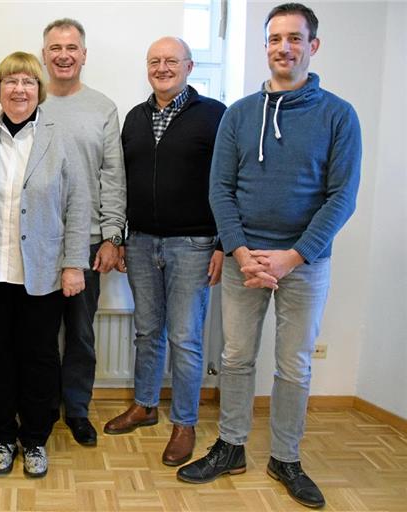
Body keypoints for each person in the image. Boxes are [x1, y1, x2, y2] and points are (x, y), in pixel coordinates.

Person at [177, 4, 361, 509]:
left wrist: (293, 257)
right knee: (235, 358)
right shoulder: (239, 114)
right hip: (244, 259)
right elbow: (220, 188)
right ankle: (231, 446)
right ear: (266, 46)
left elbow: (341, 196)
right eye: (276, 38)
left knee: (294, 365)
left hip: (306, 263)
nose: (285, 47)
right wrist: (240, 250)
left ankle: (285, 457)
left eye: (295, 38)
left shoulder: (338, 115)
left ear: (313, 46)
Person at [0, 52, 90, 478]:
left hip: (43, 271)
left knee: (39, 357)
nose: (20, 89)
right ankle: (2, 436)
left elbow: (78, 205)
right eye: (11, 81)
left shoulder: (59, 137)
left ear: (40, 90)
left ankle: (34, 439)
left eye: (28, 82)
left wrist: (74, 264)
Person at [103, 37, 225, 467]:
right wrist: (117, 237)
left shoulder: (213, 116)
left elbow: (229, 181)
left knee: (186, 338)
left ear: (189, 66)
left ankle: (185, 422)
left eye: (171, 61)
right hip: (140, 241)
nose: (162, 67)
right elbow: (118, 182)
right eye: (154, 61)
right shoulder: (135, 117)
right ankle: (145, 405)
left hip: (192, 243)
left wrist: (223, 244)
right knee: (146, 331)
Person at [40, 18, 126, 447]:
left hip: (90, 240)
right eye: (55, 47)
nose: (63, 55)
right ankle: (40, 406)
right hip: (37, 241)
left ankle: (76, 409)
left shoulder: (102, 108)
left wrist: (113, 236)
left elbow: (113, 177)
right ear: (44, 54)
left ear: (84, 54)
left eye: (71, 47)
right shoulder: (27, 103)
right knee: (37, 331)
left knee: (80, 333)